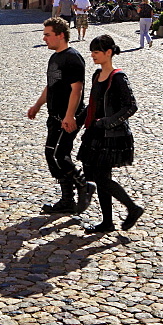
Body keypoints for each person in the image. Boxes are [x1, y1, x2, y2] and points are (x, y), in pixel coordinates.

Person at [27, 17, 95, 214]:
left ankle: (83, 186)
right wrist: (37, 105)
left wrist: (70, 116)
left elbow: (77, 90)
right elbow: (51, 86)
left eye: (48, 35)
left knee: (60, 155)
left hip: (69, 116)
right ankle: (68, 199)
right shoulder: (55, 57)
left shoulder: (73, 58)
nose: (44, 38)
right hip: (54, 115)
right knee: (52, 154)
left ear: (61, 35)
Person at [77, 35, 144, 233]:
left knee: (101, 177)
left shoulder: (118, 77)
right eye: (92, 52)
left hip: (112, 136)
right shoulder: (97, 75)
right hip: (95, 133)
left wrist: (107, 122)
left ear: (108, 53)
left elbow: (131, 107)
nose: (92, 56)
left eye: (96, 52)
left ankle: (132, 208)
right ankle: (107, 222)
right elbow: (93, 104)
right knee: (96, 176)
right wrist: (77, 119)